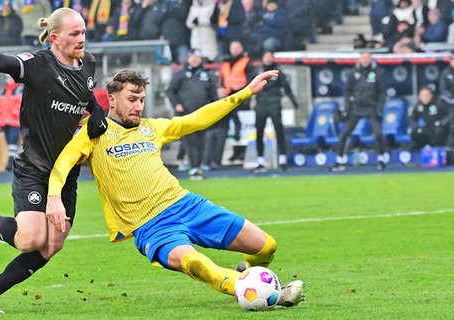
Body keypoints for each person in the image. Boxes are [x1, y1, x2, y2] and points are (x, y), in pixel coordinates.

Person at [46, 69, 305, 308]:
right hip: (151, 227)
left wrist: (245, 92)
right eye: (131, 99)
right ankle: (270, 293)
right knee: (195, 263)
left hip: (186, 205)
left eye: (141, 100)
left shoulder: (152, 128)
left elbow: (197, 119)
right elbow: (63, 164)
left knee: (266, 246)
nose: (138, 107)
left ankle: (249, 275)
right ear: (111, 100)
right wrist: (54, 197)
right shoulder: (93, 134)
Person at [0, 7, 107, 313]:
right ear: (54, 38)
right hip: (34, 166)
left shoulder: (88, 63)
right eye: (75, 33)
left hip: (65, 170)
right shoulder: (39, 65)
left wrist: (96, 111)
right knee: (30, 239)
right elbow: (5, 61)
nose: (82, 38)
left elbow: (87, 92)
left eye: (83, 32)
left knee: (52, 245)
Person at [165, 48, 219, 179]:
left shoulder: (207, 75)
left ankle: (198, 167)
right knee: (191, 141)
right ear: (188, 58)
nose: (194, 59)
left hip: (203, 114)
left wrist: (216, 109)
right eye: (192, 57)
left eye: (197, 57)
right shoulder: (180, 74)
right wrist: (176, 104)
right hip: (187, 114)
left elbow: (213, 95)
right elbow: (170, 91)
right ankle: (194, 167)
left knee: (201, 141)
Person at [331, 52, 387, 172]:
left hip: (372, 108)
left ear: (371, 59)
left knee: (378, 133)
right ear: (360, 59)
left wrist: (379, 108)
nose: (365, 60)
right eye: (363, 58)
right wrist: (347, 108)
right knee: (345, 133)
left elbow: (382, 92)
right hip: (356, 108)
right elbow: (347, 91)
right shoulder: (353, 73)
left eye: (368, 58)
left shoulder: (378, 73)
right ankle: (340, 160)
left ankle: (381, 159)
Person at [250, 51, 298, 172]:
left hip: (274, 104)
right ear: (262, 58)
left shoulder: (277, 73)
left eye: (270, 57)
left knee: (279, 130)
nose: (268, 59)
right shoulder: (257, 72)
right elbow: (250, 87)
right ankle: (260, 160)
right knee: (259, 132)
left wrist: (294, 102)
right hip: (260, 104)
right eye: (266, 57)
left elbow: (286, 87)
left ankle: (282, 159)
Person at [219, 39, 255, 163]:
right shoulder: (225, 63)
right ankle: (235, 151)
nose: (234, 50)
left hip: (241, 97)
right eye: (232, 48)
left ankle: (242, 152)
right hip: (228, 97)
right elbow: (222, 80)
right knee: (231, 125)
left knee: (242, 126)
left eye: (237, 47)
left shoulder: (246, 61)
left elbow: (250, 79)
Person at [0, 74, 22, 170]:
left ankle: (10, 162)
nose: (7, 79)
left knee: (12, 142)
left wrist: (11, 114)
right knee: (9, 143)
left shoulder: (19, 90)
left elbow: (18, 106)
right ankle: (11, 162)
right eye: (6, 78)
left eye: (9, 77)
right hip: (5, 122)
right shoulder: (3, 91)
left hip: (14, 122)